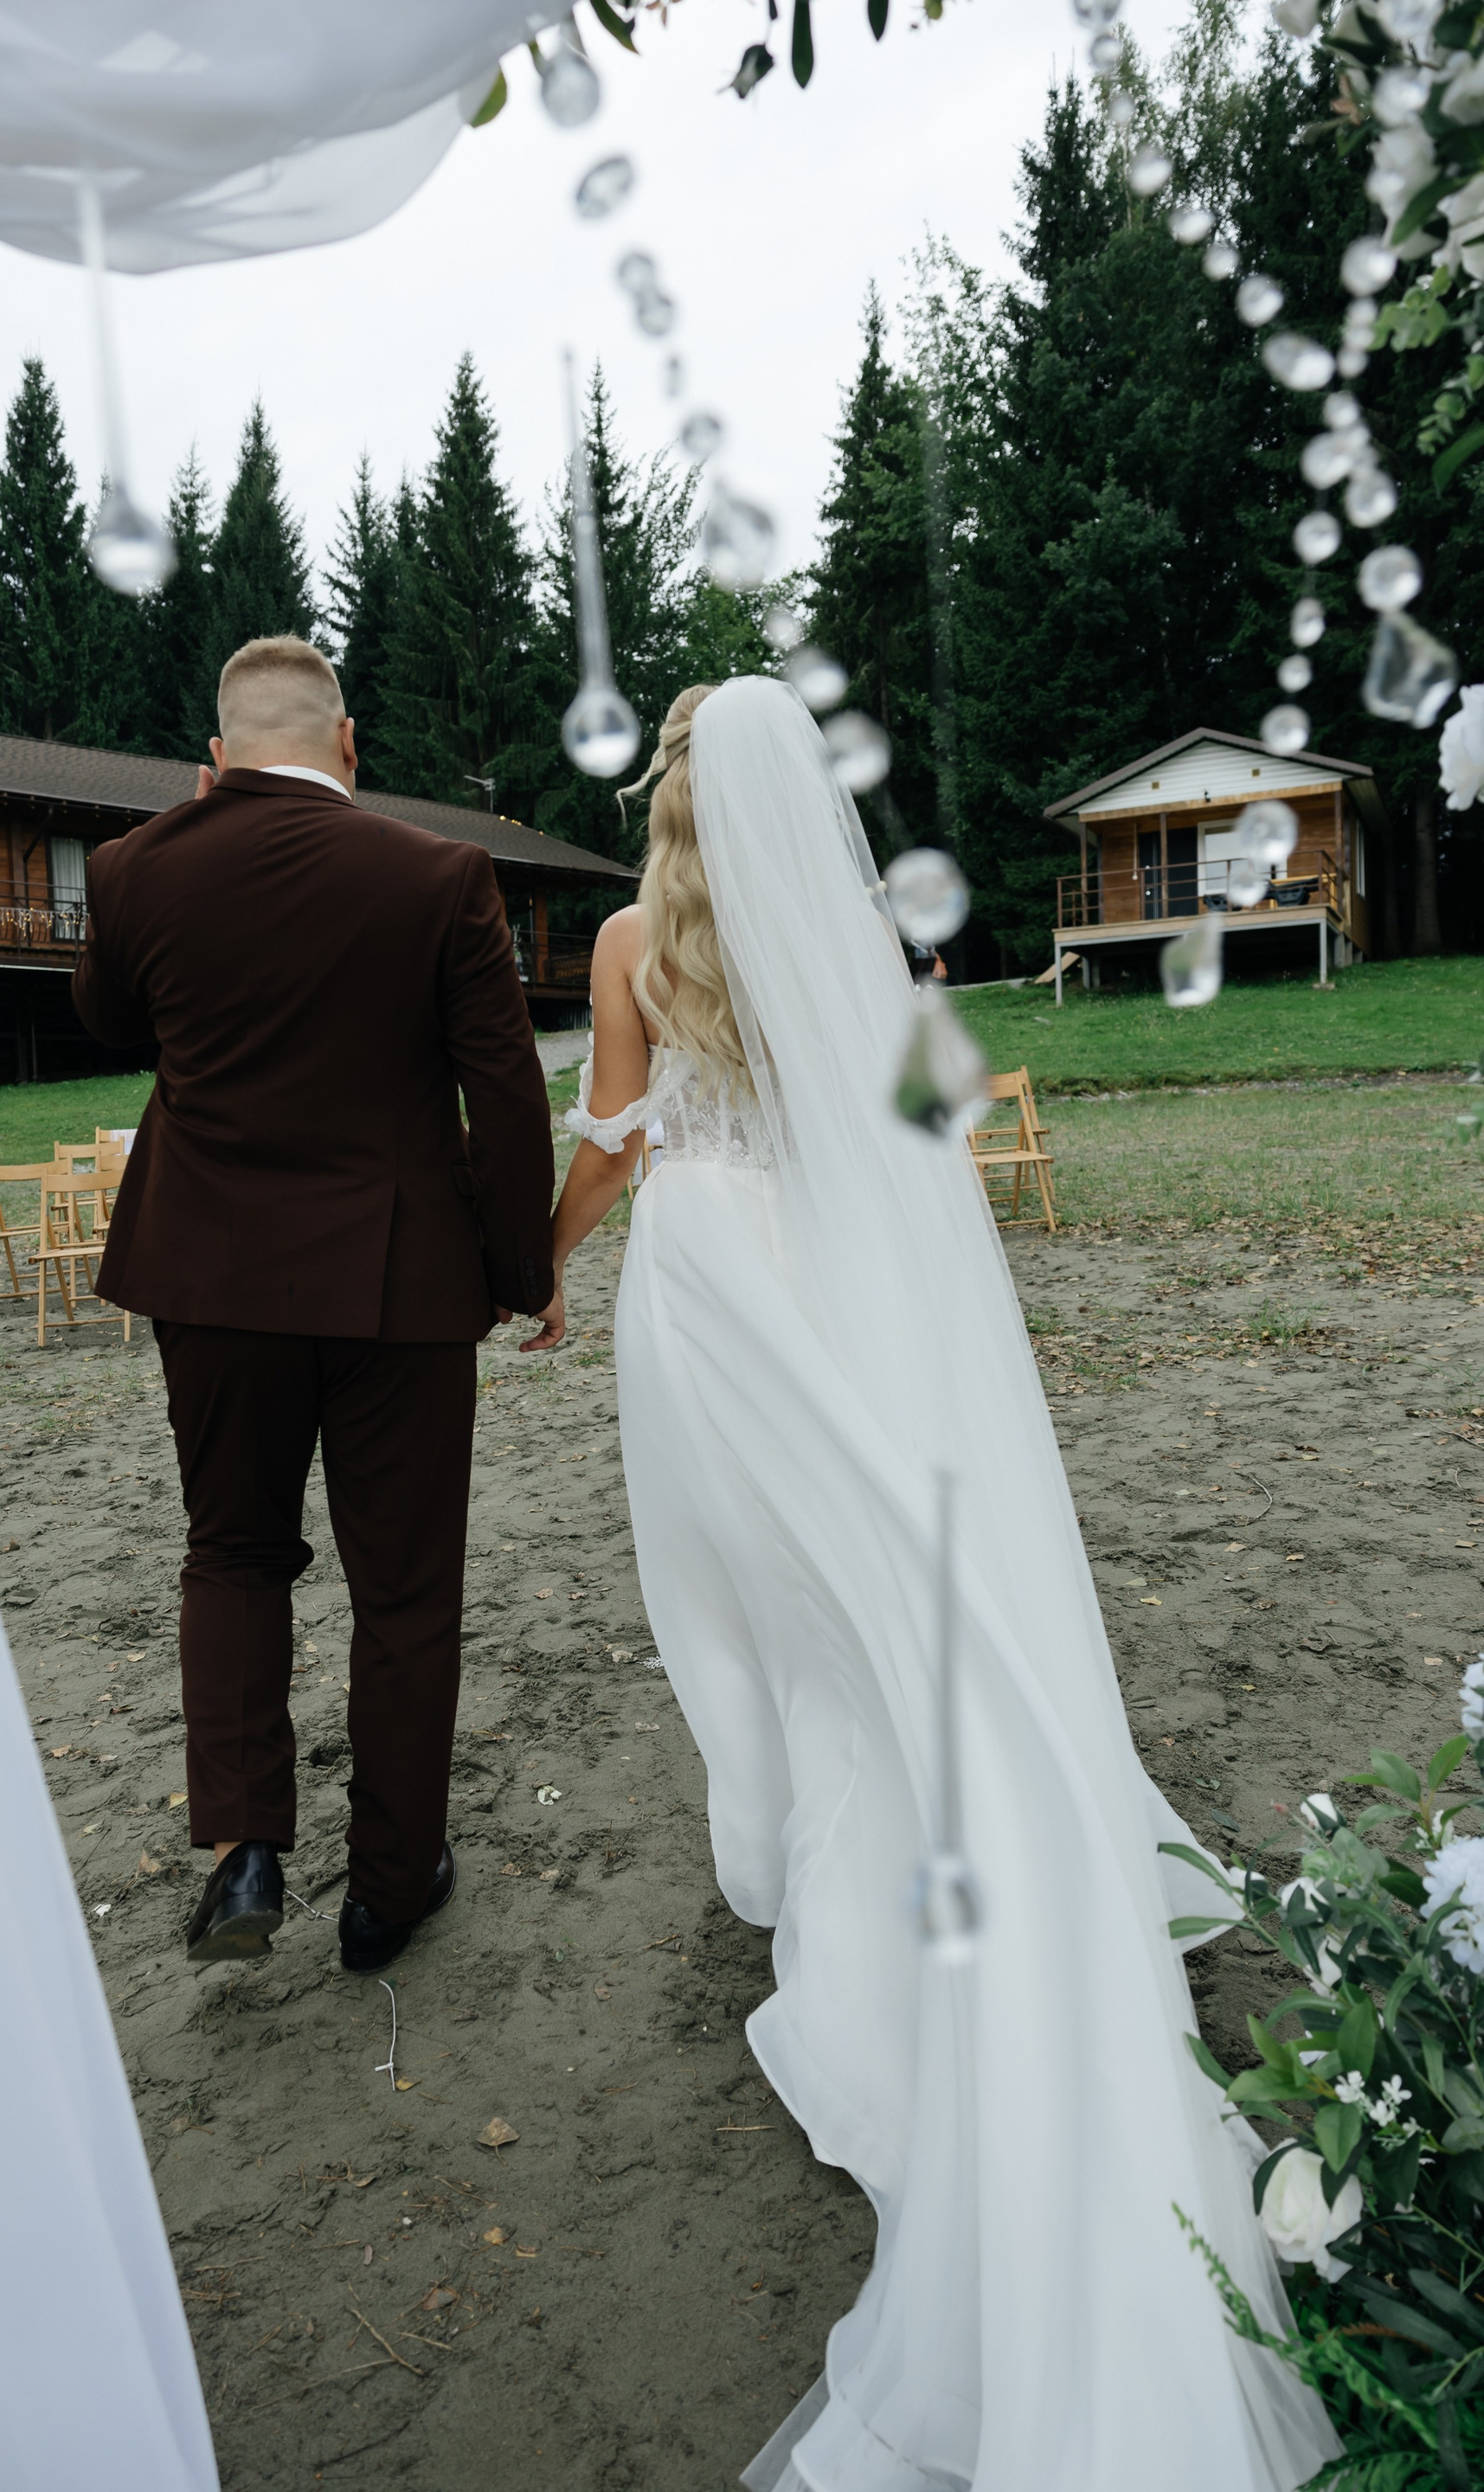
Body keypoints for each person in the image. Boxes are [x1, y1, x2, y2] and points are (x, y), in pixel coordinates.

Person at [536, 678, 1339, 2492]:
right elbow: (923, 1144)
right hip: (815, 1306)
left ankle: (809, 1898)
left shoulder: (628, 948)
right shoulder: (855, 944)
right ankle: (851, 1879)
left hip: (699, 1309)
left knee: (744, 1617)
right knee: (848, 1625)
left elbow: (608, 1146)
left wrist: (545, 1263)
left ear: (671, 794)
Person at [73, 636, 555, 1975]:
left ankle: (246, 1851)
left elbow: (108, 1020)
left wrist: (178, 846)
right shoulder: (441, 875)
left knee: (233, 1552)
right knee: (405, 1590)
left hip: (211, 1279)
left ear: (216, 759)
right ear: (349, 745)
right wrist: (522, 1272)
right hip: (400, 1287)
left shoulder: (133, 870)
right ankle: (388, 1891)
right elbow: (506, 1092)